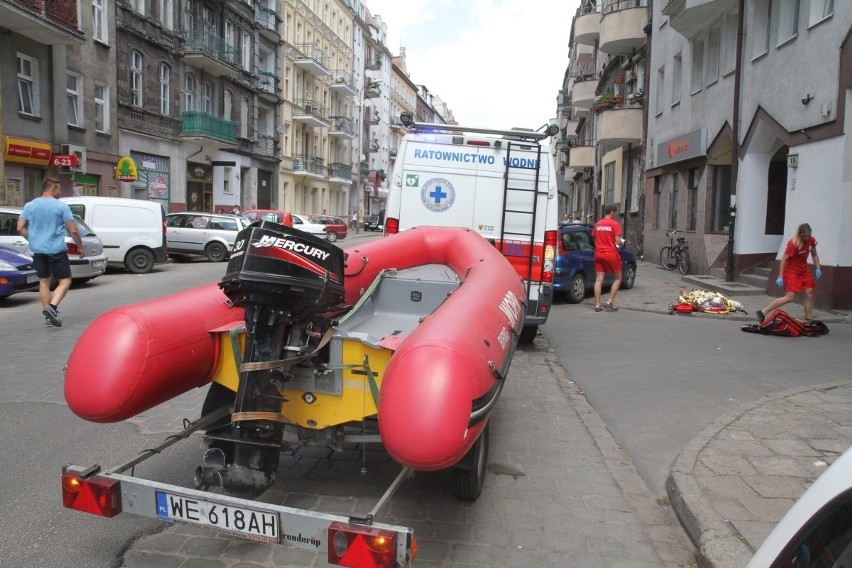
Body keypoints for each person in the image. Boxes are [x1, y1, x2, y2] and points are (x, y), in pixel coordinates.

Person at [16, 178, 84, 328]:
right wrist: (80, 247)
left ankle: (48, 318)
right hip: (56, 250)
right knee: (65, 281)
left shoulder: (30, 205)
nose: (60, 192)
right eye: (58, 189)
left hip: (37, 250)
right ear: (52, 188)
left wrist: (32, 238)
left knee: (44, 282)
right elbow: (73, 230)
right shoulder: (61, 207)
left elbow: (20, 227)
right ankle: (52, 309)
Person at [757, 223, 821, 323]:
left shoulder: (811, 240)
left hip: (804, 271)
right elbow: (784, 259)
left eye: (809, 235)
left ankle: (809, 319)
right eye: (805, 236)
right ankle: (763, 311)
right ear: (800, 235)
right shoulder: (793, 244)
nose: (807, 238)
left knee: (810, 293)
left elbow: (814, 254)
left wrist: (818, 267)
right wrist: (780, 276)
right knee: (789, 297)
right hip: (792, 272)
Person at [592, 204, 624, 312]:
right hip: (610, 253)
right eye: (615, 212)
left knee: (599, 279)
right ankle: (610, 300)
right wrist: (620, 242)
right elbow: (617, 241)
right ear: (611, 212)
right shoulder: (614, 224)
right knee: (618, 278)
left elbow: (595, 238)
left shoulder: (598, 224)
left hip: (598, 254)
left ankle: (597, 304)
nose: (616, 215)